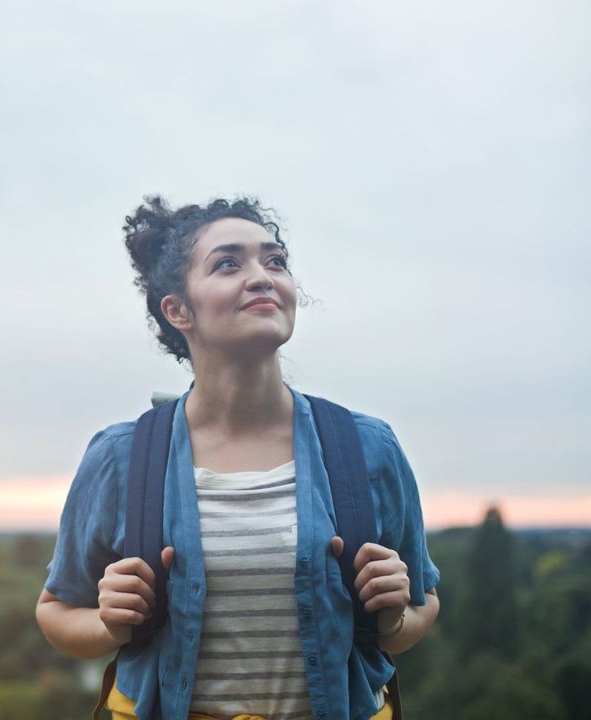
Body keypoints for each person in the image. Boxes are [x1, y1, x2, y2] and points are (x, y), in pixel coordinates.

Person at [34, 197, 441, 720]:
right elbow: (56, 611)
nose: (262, 276)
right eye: (229, 263)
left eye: (275, 261)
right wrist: (109, 624)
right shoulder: (121, 457)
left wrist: (393, 620)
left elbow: (421, 607)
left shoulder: (369, 447)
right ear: (178, 310)